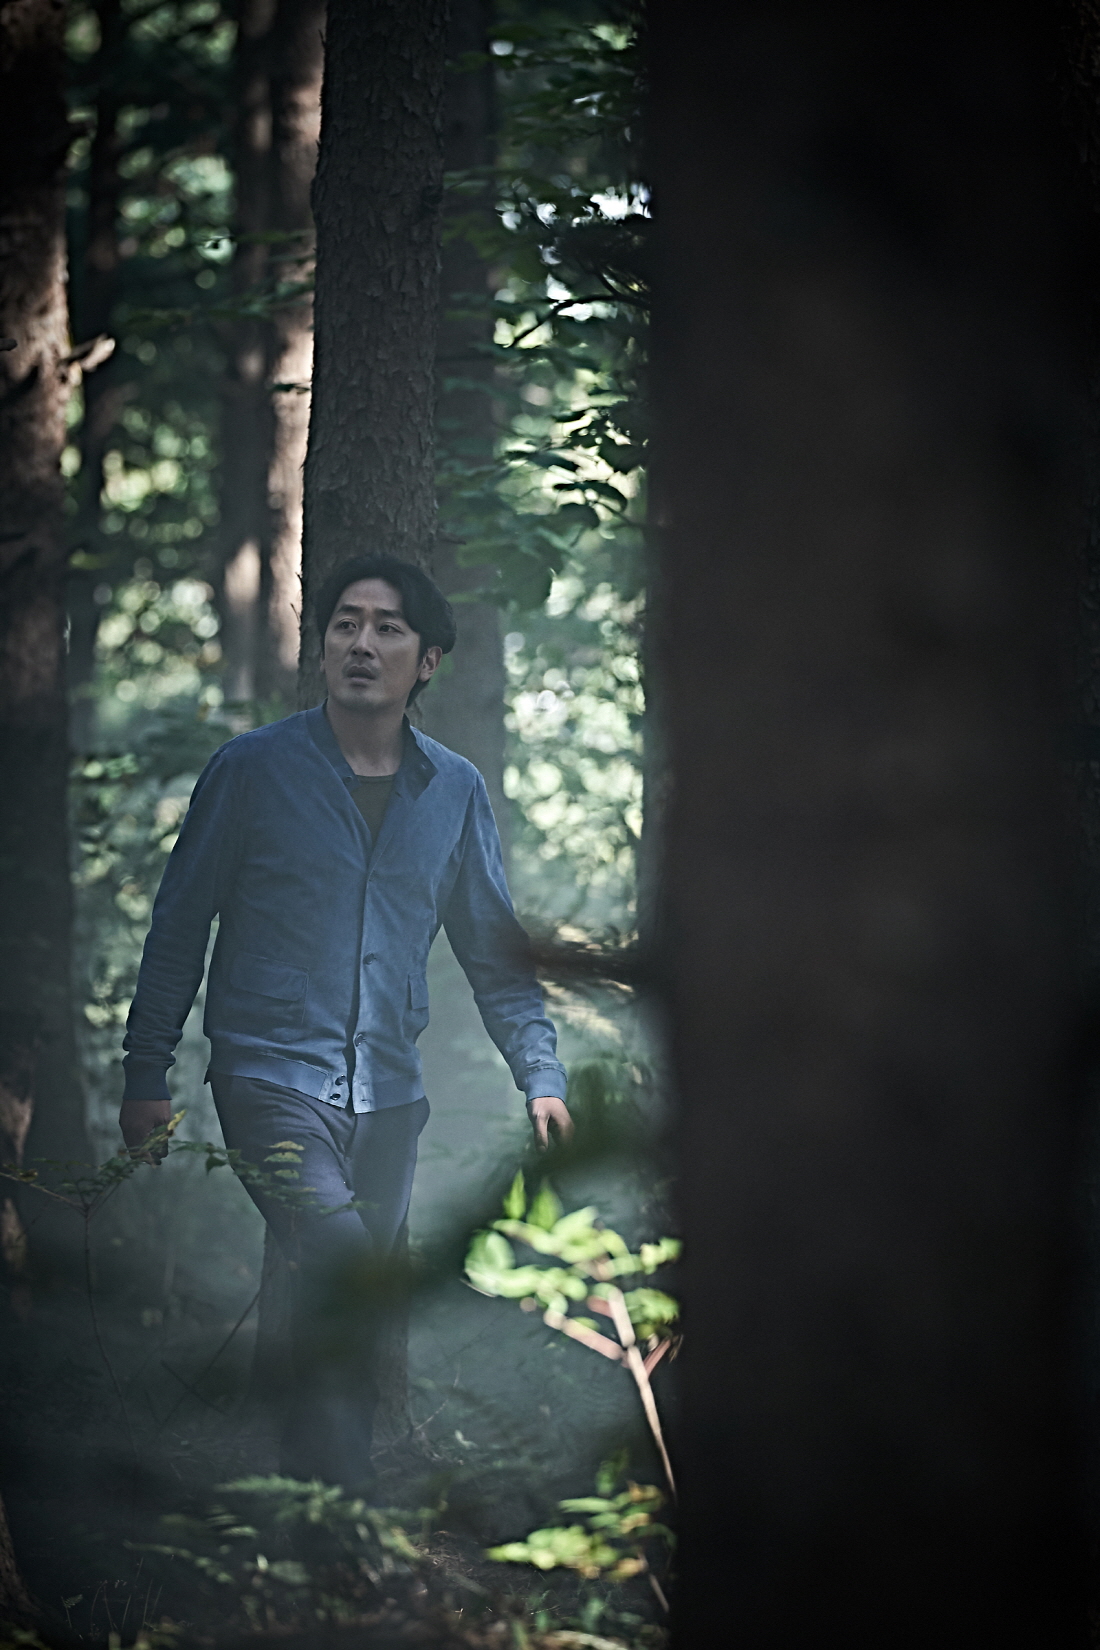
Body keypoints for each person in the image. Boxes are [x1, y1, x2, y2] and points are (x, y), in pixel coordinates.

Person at [119, 553, 572, 1485]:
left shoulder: (454, 792)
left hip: (389, 1097)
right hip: (268, 1075)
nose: (362, 644)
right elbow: (180, 925)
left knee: (354, 1298)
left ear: (428, 660)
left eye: (388, 628)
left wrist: (541, 1075)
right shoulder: (251, 771)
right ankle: (346, 1525)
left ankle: (305, 1503)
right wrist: (144, 1071)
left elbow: (495, 954)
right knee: (337, 1262)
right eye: (345, 624)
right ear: (322, 644)